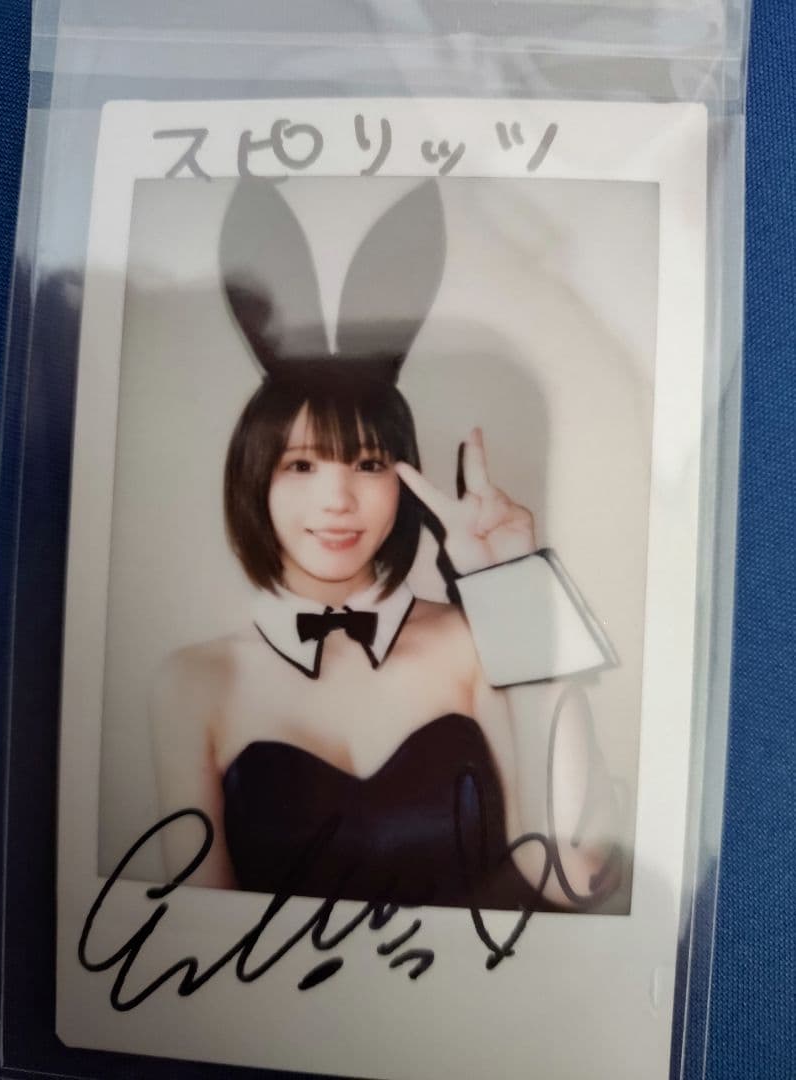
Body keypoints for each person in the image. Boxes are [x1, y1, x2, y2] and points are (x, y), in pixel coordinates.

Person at [151, 179, 620, 911]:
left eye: (368, 464)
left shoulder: (473, 644)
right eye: (301, 466)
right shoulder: (193, 682)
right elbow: (196, 935)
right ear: (255, 480)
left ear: (404, 479)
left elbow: (573, 872)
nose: (338, 499)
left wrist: (516, 585)